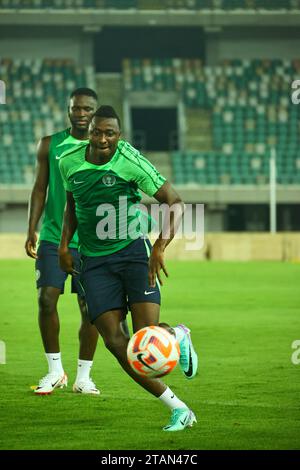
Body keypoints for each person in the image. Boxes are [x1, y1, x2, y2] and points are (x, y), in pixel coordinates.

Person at [58, 105, 198, 431]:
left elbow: (174, 202)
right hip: (93, 262)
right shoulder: (69, 162)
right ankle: (178, 408)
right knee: (116, 343)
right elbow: (72, 205)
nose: (103, 139)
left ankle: (176, 335)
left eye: (110, 133)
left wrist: (160, 247)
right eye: (97, 132)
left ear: (119, 135)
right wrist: (65, 246)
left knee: (144, 339)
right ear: (87, 132)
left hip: (133, 251)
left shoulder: (130, 160)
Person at [25, 88, 101, 395]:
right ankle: (55, 370)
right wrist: (32, 228)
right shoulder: (50, 144)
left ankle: (84, 376)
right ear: (68, 110)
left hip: (92, 243)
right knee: (46, 300)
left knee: (91, 308)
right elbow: (39, 187)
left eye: (87, 109)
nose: (81, 114)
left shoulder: (107, 146)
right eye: (75, 109)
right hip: (54, 236)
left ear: (95, 112)